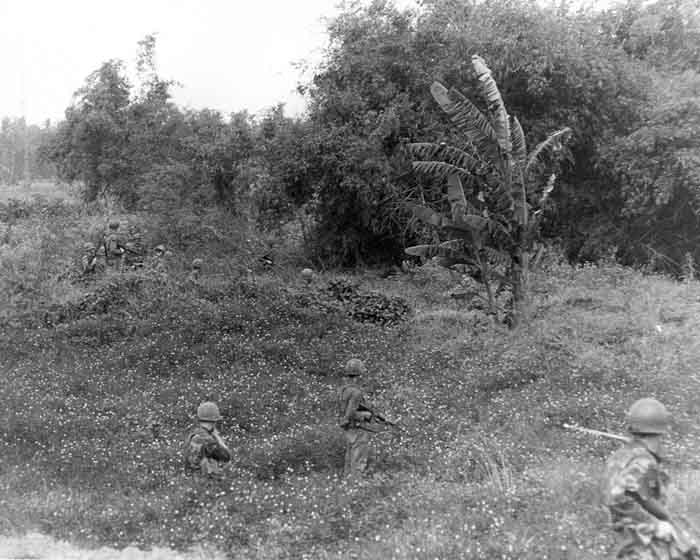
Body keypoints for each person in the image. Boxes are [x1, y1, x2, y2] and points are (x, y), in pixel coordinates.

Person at [604, 397, 699, 559]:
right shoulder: (643, 460)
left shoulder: (621, 456)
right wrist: (654, 525)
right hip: (641, 545)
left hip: (624, 540)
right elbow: (619, 497)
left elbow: (638, 492)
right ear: (661, 430)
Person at [338, 358, 375, 477]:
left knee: (349, 459)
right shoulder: (356, 392)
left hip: (349, 429)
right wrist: (365, 415)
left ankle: (347, 486)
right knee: (358, 461)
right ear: (359, 375)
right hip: (358, 429)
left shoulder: (343, 390)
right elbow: (349, 414)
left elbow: (343, 411)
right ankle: (356, 488)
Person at [184, 401, 231, 479]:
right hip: (205, 482)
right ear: (214, 421)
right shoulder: (208, 440)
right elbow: (226, 456)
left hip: (191, 480)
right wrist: (218, 438)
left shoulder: (193, 435)